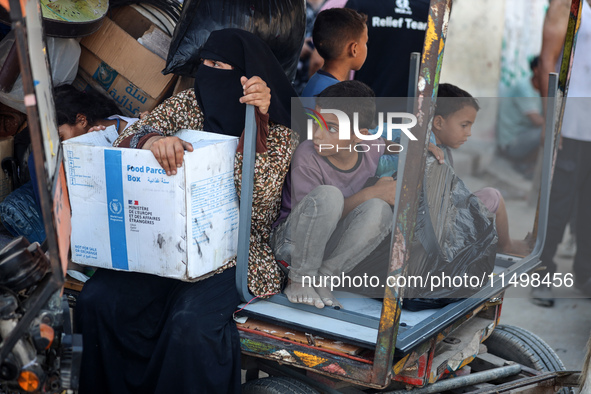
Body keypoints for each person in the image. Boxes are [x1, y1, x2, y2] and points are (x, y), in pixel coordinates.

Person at [75, 29, 300, 394]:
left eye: (221, 65)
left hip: (233, 254)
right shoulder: (188, 104)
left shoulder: (278, 132)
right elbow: (131, 133)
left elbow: (257, 207)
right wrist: (152, 141)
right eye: (205, 63)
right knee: (99, 301)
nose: (210, 72)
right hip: (170, 241)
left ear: (246, 73)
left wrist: (255, 124)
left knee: (190, 324)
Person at [271, 80, 396, 309]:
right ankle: (299, 280)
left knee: (380, 209)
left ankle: (324, 277)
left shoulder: (368, 147)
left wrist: (421, 147)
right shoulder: (307, 156)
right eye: (316, 123)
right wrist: (371, 192)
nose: (317, 135)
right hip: (293, 247)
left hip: (329, 247)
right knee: (330, 196)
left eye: (332, 128)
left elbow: (385, 144)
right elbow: (312, 216)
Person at [530, 0, 591, 307]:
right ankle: (541, 273)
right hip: (571, 127)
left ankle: (585, 274)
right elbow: (547, 63)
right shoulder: (565, 6)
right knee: (558, 206)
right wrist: (551, 119)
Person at [432, 83, 530, 256]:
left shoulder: (442, 148)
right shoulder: (434, 153)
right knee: (493, 197)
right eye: (464, 125)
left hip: (444, 221)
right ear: (438, 122)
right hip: (443, 232)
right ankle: (506, 246)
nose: (468, 133)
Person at [301, 8, 368, 101]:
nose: (366, 47)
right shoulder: (337, 95)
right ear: (354, 49)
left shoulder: (316, 80)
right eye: (365, 42)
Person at [496, 56, 544, 175]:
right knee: (548, 131)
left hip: (523, 138)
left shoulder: (541, 89)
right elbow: (537, 121)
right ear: (536, 70)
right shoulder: (524, 87)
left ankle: (527, 164)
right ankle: (523, 164)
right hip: (511, 143)